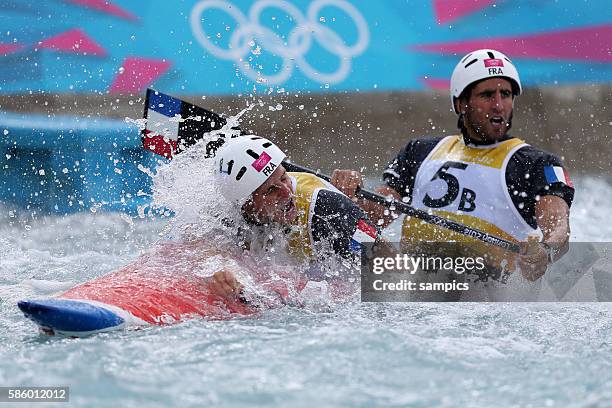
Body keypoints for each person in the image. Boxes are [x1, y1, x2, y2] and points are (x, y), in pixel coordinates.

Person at [331, 49, 574, 285]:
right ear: (461, 103)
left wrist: (545, 251)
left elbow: (558, 228)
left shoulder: (535, 164)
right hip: (417, 291)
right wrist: (349, 192)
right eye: (487, 95)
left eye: (506, 94)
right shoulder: (419, 151)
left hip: (485, 297)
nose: (499, 105)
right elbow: (376, 216)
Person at [206, 135, 388, 300]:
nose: (286, 193)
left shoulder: (328, 208)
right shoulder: (227, 211)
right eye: (271, 190)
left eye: (284, 177)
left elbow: (393, 263)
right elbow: (203, 245)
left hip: (340, 281)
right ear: (247, 205)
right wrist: (219, 269)